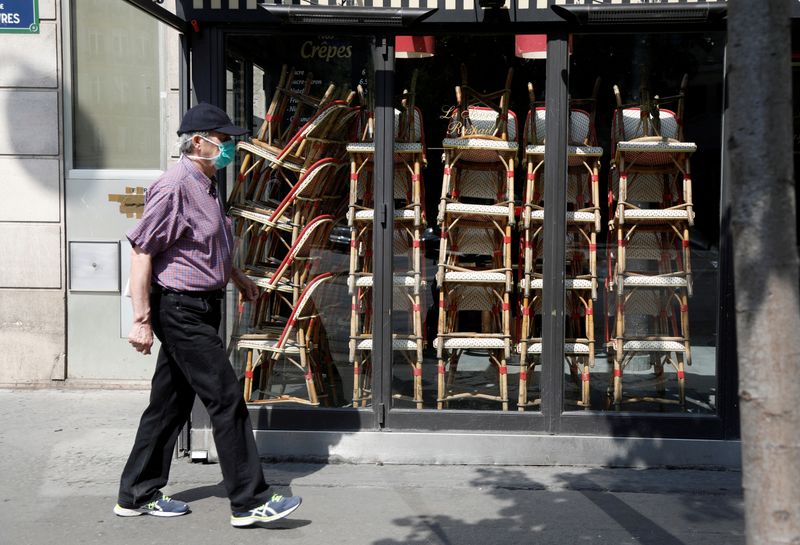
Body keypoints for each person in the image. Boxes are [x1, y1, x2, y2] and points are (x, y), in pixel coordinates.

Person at [113, 103, 302, 528]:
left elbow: (204, 245)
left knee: (169, 405)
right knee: (226, 398)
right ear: (198, 141)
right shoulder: (176, 185)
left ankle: (136, 493)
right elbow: (143, 252)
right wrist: (141, 319)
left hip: (201, 304)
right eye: (224, 139)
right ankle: (250, 501)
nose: (229, 146)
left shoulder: (207, 182)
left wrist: (236, 276)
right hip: (181, 310)